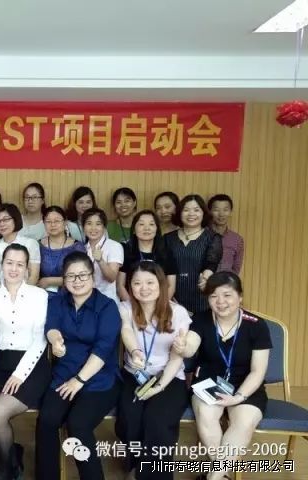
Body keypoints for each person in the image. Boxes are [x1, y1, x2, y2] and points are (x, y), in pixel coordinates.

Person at [176, 272, 271, 480]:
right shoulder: (201, 320)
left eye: (227, 295)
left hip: (246, 386)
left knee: (244, 423)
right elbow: (191, 345)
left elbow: (258, 371)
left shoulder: (256, 325)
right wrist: (183, 348)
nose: (220, 302)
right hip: (208, 383)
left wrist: (239, 397)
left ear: (240, 296)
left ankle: (214, 477)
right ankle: (222, 476)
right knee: (206, 415)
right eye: (213, 296)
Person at [35, 251, 121, 480]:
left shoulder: (107, 307)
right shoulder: (58, 301)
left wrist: (79, 380)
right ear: (64, 280)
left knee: (78, 425)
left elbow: (103, 349)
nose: (77, 280)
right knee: (47, 420)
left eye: (83, 275)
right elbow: (51, 327)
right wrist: (56, 341)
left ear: (93, 277)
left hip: (99, 380)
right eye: (71, 276)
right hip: (64, 375)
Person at [0, 244, 51, 480]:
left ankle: (8, 470)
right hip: (4, 364)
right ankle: (11, 451)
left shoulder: (39, 296)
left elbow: (40, 340)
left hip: (33, 367)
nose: (14, 269)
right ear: (1, 265)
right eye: (9, 263)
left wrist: (19, 375)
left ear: (27, 269)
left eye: (19, 264)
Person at [115, 261, 191, 480]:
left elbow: (176, 357)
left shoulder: (178, 313)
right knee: (130, 419)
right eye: (137, 283)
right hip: (135, 375)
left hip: (169, 377)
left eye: (150, 282)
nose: (144, 288)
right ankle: (137, 467)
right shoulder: (126, 307)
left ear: (161, 284)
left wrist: (159, 387)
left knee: (157, 421)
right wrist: (135, 351)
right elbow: (126, 329)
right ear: (130, 286)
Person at [164, 194, 222, 318]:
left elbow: (212, 263)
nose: (191, 214)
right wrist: (167, 297)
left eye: (196, 210)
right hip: (172, 300)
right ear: (179, 213)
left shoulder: (212, 238)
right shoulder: (168, 239)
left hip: (202, 300)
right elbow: (162, 268)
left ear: (203, 213)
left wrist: (205, 278)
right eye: (186, 210)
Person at [117, 210, 177, 302]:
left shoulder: (166, 252)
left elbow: (171, 286)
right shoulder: (125, 251)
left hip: (160, 304)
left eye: (151, 224)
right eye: (141, 224)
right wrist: (132, 307)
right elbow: (120, 285)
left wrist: (160, 306)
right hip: (131, 304)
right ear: (134, 229)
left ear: (157, 229)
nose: (147, 228)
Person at [38, 206, 85, 295]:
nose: (53, 225)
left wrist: (50, 281)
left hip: (71, 294)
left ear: (65, 222)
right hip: (42, 294)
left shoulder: (76, 247)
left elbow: (82, 275)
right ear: (43, 223)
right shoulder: (38, 245)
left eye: (57, 221)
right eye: (48, 221)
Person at [0, 204, 41, 286]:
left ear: (16, 219)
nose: (2, 224)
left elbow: (34, 276)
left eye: (6, 219)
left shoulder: (30, 243)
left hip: (25, 291)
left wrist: (22, 293)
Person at [82, 208, 124, 303]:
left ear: (104, 227)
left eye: (98, 224)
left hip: (107, 301)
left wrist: (100, 260)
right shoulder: (82, 249)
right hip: (85, 300)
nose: (93, 228)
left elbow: (111, 278)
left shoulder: (114, 246)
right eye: (89, 223)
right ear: (83, 227)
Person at [208, 194, 244, 275]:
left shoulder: (237, 239)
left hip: (227, 281)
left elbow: (236, 269)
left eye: (225, 210)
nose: (221, 214)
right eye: (216, 210)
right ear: (210, 211)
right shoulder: (201, 235)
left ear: (230, 212)